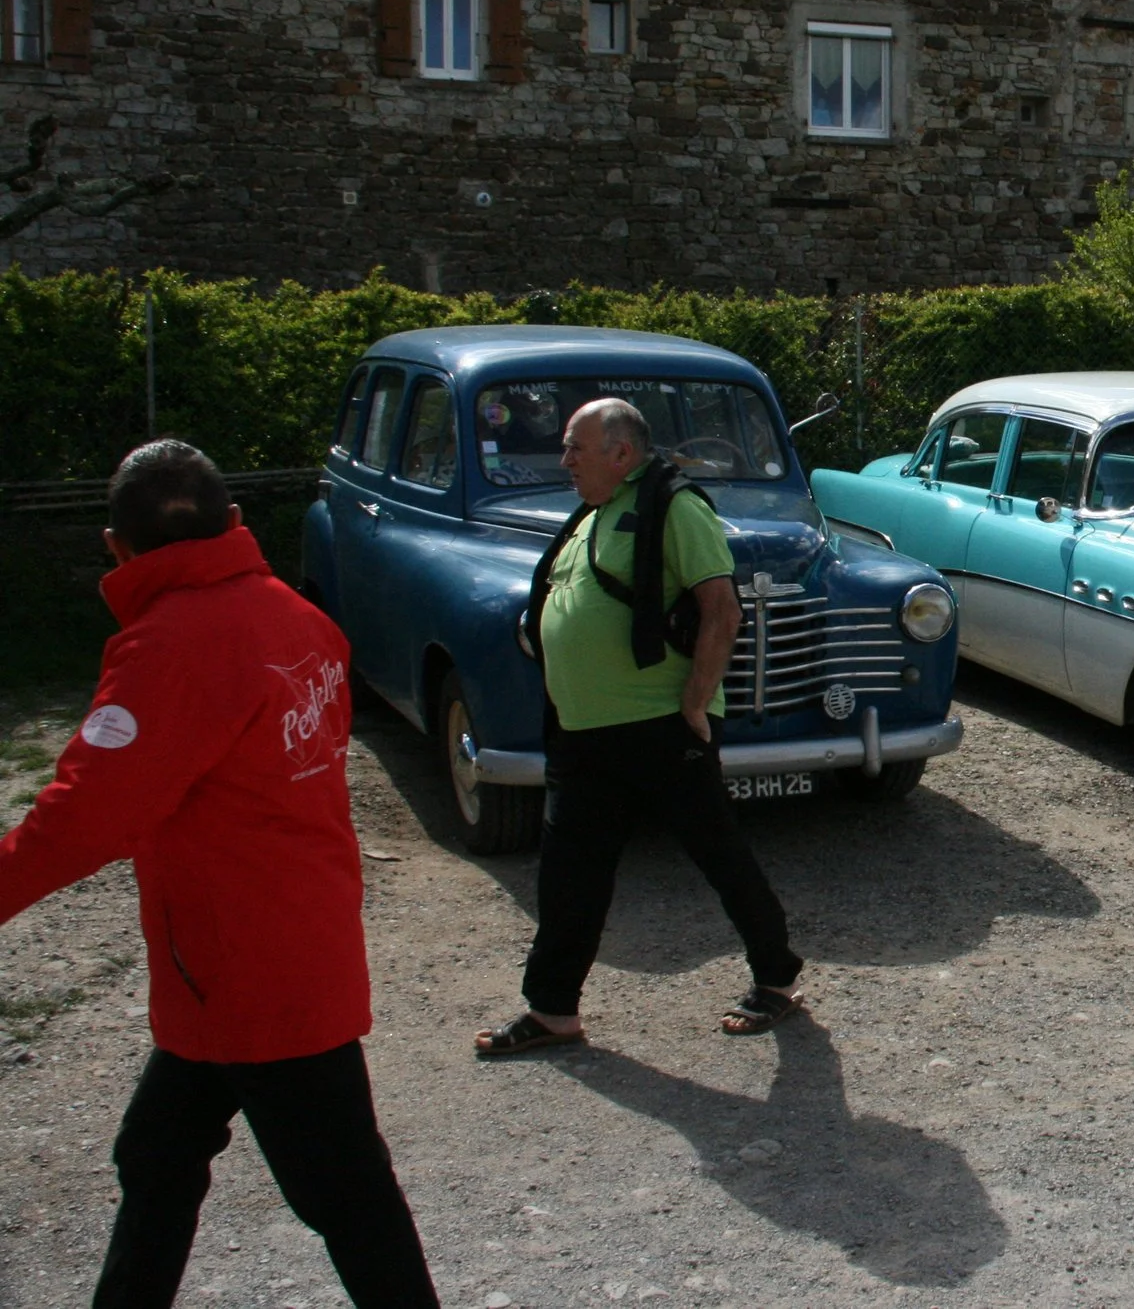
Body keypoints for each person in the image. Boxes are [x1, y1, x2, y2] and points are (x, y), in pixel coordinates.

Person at [0, 441, 438, 1308]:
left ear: (115, 549)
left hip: (243, 972)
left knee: (346, 1196)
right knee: (157, 1152)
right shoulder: (297, 616)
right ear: (235, 524)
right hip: (281, 945)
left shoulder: (170, 646)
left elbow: (84, 815)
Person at [476, 397, 804, 1058]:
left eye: (576, 446)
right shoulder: (589, 514)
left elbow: (722, 610)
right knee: (568, 875)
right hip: (583, 733)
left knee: (720, 856)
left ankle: (776, 977)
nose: (563, 458)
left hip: (658, 728)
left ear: (621, 452)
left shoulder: (675, 508)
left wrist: (694, 703)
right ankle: (552, 1010)